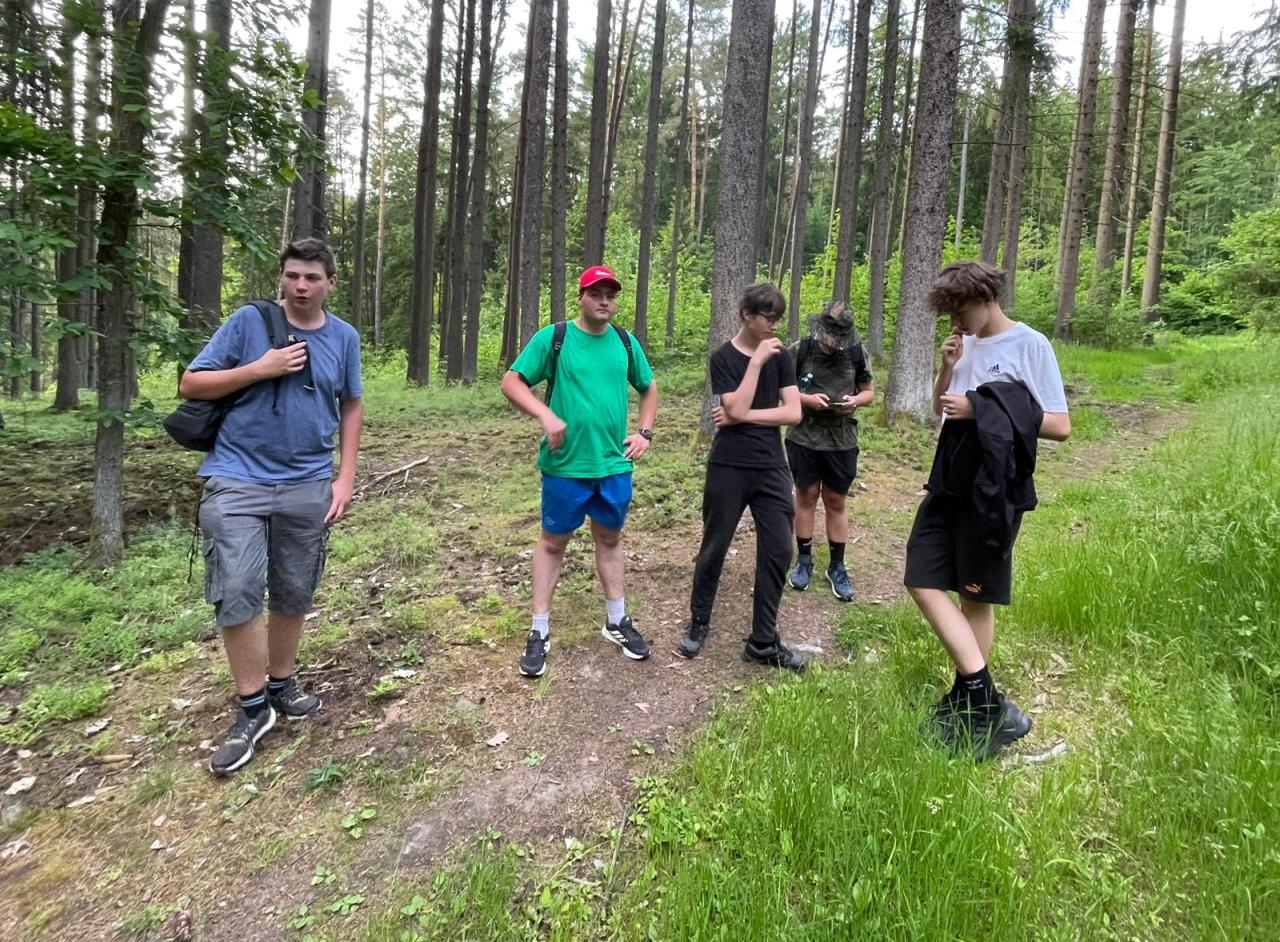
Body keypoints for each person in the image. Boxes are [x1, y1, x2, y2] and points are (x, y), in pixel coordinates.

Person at [179, 238, 363, 776]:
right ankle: (252, 707)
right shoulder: (248, 323)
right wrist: (260, 368)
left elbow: (351, 403)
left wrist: (345, 477)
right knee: (237, 586)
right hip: (236, 478)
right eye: (292, 276)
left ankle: (281, 684)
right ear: (281, 277)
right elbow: (191, 383)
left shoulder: (344, 337)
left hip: (308, 481)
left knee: (294, 587)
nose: (301, 286)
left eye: (312, 277)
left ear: (330, 283)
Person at [904, 260, 1070, 760]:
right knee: (921, 578)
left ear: (986, 298)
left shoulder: (1029, 345)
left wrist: (981, 408)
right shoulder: (964, 343)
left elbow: (1059, 425)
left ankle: (972, 706)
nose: (956, 322)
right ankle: (988, 702)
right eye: (950, 314)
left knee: (975, 598)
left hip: (995, 487)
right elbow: (941, 407)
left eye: (960, 311)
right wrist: (947, 368)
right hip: (949, 479)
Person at [500, 265, 658, 678]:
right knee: (553, 542)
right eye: (596, 293)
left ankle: (617, 620)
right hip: (565, 464)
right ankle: (539, 630)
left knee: (610, 538)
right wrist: (545, 415)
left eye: (611, 295)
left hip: (613, 464)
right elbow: (512, 382)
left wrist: (644, 432)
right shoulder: (554, 339)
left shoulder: (625, 342)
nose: (605, 301)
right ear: (581, 297)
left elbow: (648, 387)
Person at [676, 283, 806, 672]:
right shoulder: (724, 358)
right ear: (747, 315)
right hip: (729, 465)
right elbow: (734, 403)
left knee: (779, 549)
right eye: (768, 317)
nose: (774, 325)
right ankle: (699, 620)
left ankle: (763, 641)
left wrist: (742, 416)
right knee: (714, 545)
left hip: (771, 465)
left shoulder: (782, 356)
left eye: (778, 318)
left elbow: (793, 412)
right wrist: (755, 364)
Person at [786, 301, 875, 601]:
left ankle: (837, 566)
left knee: (836, 499)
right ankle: (804, 560)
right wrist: (806, 399)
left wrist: (855, 401)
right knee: (806, 495)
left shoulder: (856, 353)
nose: (832, 345)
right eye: (828, 339)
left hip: (842, 439)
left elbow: (869, 391)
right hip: (804, 435)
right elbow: (782, 389)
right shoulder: (801, 350)